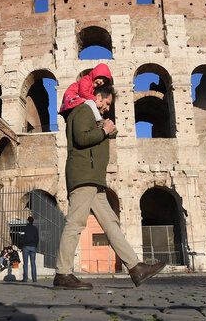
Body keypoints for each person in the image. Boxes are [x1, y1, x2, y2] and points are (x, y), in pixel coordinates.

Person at [54, 85, 164, 290]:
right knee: (75, 223)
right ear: (97, 97)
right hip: (83, 177)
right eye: (106, 103)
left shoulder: (92, 114)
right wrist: (104, 130)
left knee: (111, 223)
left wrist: (107, 131)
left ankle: (135, 267)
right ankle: (62, 273)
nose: (107, 108)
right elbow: (81, 138)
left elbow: (96, 137)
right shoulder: (83, 110)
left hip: (93, 180)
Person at [19, 216, 39, 283]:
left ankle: (25, 278)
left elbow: (21, 237)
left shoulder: (24, 228)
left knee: (25, 263)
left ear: (27, 221)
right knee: (33, 263)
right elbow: (37, 238)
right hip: (33, 247)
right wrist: (35, 246)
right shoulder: (35, 229)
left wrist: (21, 246)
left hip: (26, 247)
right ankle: (34, 278)